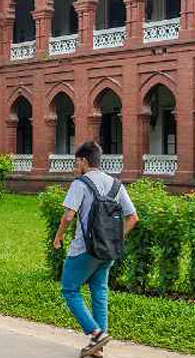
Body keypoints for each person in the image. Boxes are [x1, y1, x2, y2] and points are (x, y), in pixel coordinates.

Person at [52, 141, 138, 357]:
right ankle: (98, 343)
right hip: (107, 250)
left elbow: (69, 216)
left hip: (84, 249)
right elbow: (133, 218)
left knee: (69, 290)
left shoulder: (80, 184)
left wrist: (58, 237)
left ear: (84, 161)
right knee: (99, 290)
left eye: (76, 162)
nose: (75, 166)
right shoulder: (117, 185)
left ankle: (96, 334)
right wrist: (114, 239)